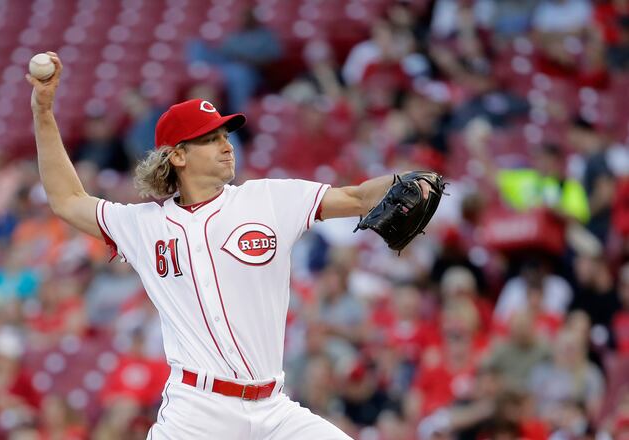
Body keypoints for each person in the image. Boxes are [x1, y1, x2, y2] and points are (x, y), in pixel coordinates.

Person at [26, 52, 435, 439]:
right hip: (197, 412)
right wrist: (43, 113)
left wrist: (414, 180)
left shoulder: (269, 199)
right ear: (178, 156)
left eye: (226, 134)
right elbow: (68, 200)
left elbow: (358, 197)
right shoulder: (143, 225)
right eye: (210, 139)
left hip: (273, 408)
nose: (227, 145)